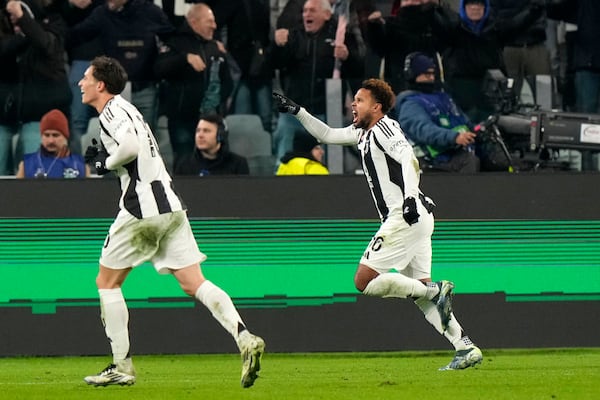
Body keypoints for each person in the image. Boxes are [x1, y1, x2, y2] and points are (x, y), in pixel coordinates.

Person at [272, 78, 483, 370]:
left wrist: (409, 198)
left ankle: (435, 290)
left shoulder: (385, 128)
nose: (352, 105)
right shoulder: (363, 133)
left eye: (359, 100)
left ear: (377, 106)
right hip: (417, 217)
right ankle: (465, 348)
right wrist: (298, 111)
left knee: (364, 281)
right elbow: (329, 134)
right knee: (419, 292)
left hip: (405, 215)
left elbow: (409, 158)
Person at [79, 56, 264, 388]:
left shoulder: (110, 112)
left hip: (141, 209)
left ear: (100, 85)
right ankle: (244, 336)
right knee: (194, 283)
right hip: (171, 207)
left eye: (86, 77)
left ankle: (122, 366)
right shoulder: (129, 109)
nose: (81, 83)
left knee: (107, 283)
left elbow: (131, 146)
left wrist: (105, 163)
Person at [271, 0, 364, 163]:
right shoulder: (293, 35)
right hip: (295, 110)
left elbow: (358, 70)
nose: (307, 14)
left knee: (332, 161)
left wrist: (347, 57)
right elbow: (274, 64)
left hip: (327, 111)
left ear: (327, 15)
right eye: (305, 11)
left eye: (312, 10)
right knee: (284, 154)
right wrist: (278, 45)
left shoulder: (341, 36)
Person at [154, 3, 234, 170]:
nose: (215, 25)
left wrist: (215, 103)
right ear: (194, 22)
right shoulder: (175, 43)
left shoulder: (215, 47)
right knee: (184, 164)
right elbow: (158, 69)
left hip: (210, 120)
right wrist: (184, 59)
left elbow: (228, 81)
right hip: (182, 119)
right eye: (209, 21)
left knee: (214, 165)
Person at [0, 0, 72, 175]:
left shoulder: (54, 25)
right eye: (12, 19)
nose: (15, 21)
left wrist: (24, 21)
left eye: (19, 17)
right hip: (6, 114)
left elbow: (45, 44)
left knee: (34, 169)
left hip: (39, 114)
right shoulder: (13, 39)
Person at [396, 52, 480, 172]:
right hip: (435, 159)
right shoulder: (410, 104)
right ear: (413, 75)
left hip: (456, 150)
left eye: (432, 74)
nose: (431, 78)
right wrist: (454, 137)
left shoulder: (443, 97)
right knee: (469, 161)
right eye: (426, 74)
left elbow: (463, 120)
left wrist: (477, 130)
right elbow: (425, 131)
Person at [15, 109, 90, 178]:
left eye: (55, 135)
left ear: (66, 137)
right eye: (47, 135)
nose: (51, 141)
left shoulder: (81, 165)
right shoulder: (26, 165)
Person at [174, 114, 249, 176]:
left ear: (220, 136)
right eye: (198, 131)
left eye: (206, 131)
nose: (200, 135)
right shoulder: (184, 164)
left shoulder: (238, 164)